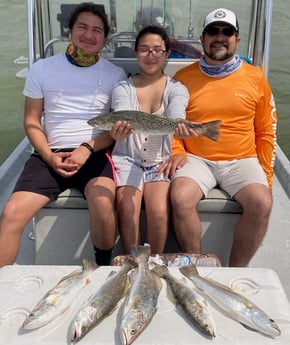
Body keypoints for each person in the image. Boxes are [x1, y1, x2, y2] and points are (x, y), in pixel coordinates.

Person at [0, 2, 127, 267]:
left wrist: (86, 149)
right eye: (82, 27)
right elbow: (32, 120)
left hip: (95, 152)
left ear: (104, 38)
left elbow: (114, 131)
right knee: (11, 212)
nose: (89, 35)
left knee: (103, 205)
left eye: (97, 30)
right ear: (69, 30)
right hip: (48, 154)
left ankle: (103, 269)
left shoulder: (116, 74)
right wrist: (48, 156)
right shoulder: (42, 68)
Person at [167, 8, 277, 266]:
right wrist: (177, 151)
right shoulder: (182, 78)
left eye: (227, 32)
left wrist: (266, 177)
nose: (220, 37)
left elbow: (266, 130)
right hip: (196, 158)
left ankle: (235, 270)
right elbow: (171, 126)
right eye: (213, 32)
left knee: (261, 202)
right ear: (203, 39)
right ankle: (197, 266)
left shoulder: (256, 78)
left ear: (237, 40)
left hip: (242, 158)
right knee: (180, 197)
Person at [109, 25, 189, 254]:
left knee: (158, 211)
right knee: (126, 207)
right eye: (144, 49)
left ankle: (153, 262)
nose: (150, 55)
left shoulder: (177, 88)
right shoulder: (122, 88)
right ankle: (133, 261)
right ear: (136, 53)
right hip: (127, 157)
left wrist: (179, 126)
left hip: (159, 159)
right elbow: (124, 113)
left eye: (157, 50)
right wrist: (118, 131)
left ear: (166, 54)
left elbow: (176, 112)